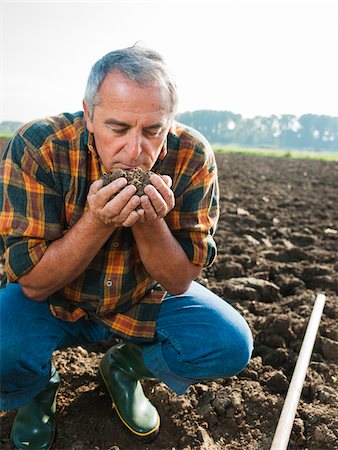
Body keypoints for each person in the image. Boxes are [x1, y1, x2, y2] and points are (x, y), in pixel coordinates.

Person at [0, 44, 253, 449]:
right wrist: (97, 221)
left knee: (227, 343)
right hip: (53, 298)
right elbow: (32, 284)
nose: (136, 150)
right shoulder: (40, 145)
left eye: (153, 130)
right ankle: (37, 388)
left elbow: (178, 279)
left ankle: (125, 366)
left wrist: (151, 222)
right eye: (118, 128)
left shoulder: (192, 155)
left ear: (169, 122)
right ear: (89, 115)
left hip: (140, 295)